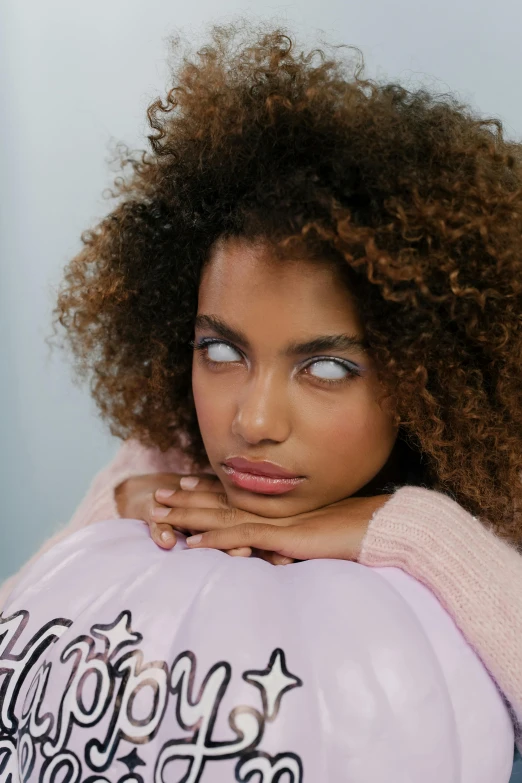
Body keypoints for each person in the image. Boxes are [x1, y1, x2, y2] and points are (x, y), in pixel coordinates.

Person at [2, 20, 522, 764]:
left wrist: (410, 530)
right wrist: (118, 504)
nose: (253, 420)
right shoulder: (172, 457)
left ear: (429, 371)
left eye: (329, 368)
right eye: (220, 350)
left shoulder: (493, 491)